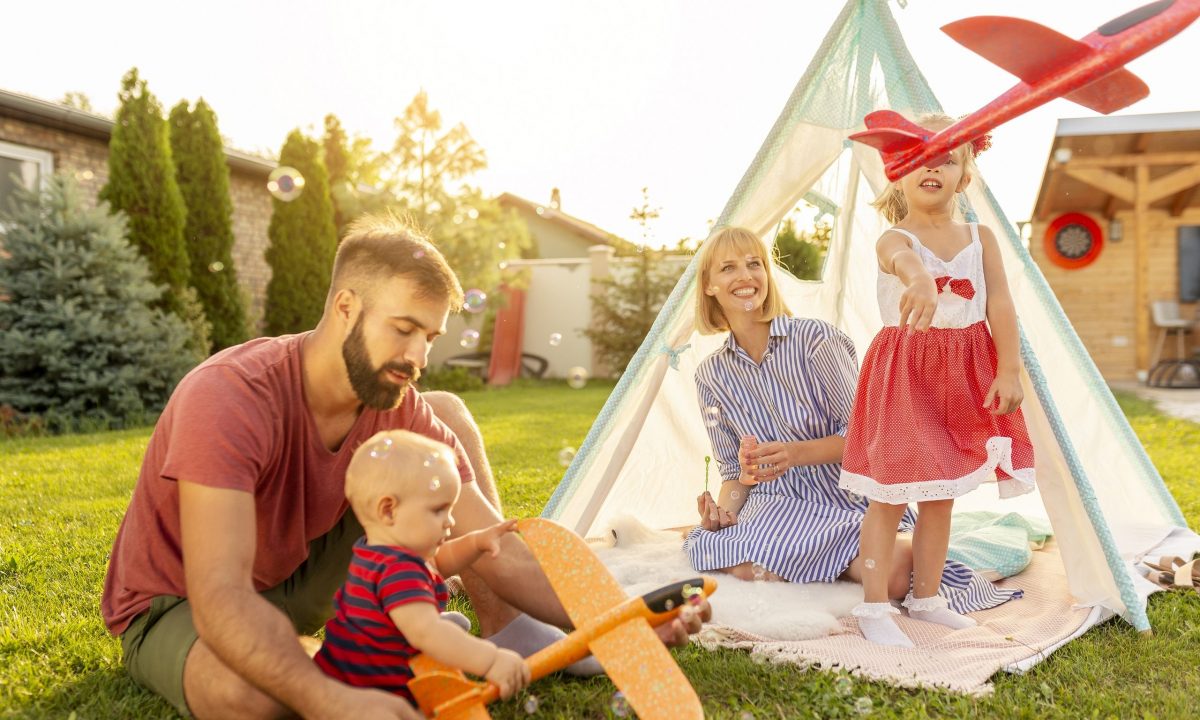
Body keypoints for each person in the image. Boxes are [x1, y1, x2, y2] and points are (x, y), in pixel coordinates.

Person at [101, 213, 709, 720]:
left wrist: (620, 625)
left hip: (304, 571)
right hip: (179, 600)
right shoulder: (230, 397)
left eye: (432, 336)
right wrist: (332, 697)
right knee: (251, 695)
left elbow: (492, 543)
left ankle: (499, 627)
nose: (418, 355)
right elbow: (221, 596)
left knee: (445, 416)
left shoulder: (395, 401)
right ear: (345, 307)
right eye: (403, 329)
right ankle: (390, 643)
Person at [684, 226, 1019, 621]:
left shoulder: (815, 341)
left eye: (754, 264)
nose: (745, 276)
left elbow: (867, 437)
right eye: (728, 268)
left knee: (895, 577)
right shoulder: (711, 375)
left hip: (844, 498)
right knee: (726, 558)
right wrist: (725, 516)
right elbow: (733, 474)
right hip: (777, 508)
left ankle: (897, 548)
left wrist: (795, 453)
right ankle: (819, 561)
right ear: (708, 286)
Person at [839, 114, 1035, 647]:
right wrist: (921, 277)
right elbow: (900, 260)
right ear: (899, 174)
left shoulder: (981, 237)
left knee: (942, 493)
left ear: (964, 178)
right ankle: (875, 607)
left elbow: (1000, 303)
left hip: (965, 371)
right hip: (906, 374)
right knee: (890, 495)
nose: (935, 168)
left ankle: (927, 598)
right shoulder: (895, 237)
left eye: (948, 159)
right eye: (922, 159)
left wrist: (1009, 368)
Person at [314, 429, 529, 701]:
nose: (450, 521)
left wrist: (475, 543)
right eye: (439, 510)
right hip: (367, 692)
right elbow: (428, 633)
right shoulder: (398, 572)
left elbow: (439, 562)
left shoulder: (376, 552)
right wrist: (491, 660)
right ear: (389, 510)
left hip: (343, 674)